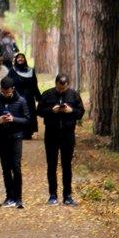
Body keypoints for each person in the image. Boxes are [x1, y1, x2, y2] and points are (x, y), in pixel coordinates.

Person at [37, 73, 85, 204]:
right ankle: (52, 195)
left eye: (64, 88)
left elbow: (81, 113)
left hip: (68, 133)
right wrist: (51, 110)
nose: (61, 90)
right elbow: (39, 111)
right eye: (59, 88)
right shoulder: (47, 94)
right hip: (51, 133)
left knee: (67, 165)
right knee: (51, 165)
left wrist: (71, 111)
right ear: (56, 84)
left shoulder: (74, 95)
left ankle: (67, 195)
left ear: (68, 85)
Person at [0, 76, 29, 208]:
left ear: (13, 89)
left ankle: (18, 197)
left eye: (8, 92)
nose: (6, 94)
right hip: (2, 138)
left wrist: (14, 119)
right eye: (4, 92)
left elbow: (27, 120)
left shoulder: (21, 101)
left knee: (16, 167)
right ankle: (9, 196)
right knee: (6, 168)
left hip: (16, 137)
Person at [6, 52, 41, 139]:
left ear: (25, 59)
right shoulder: (12, 71)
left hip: (29, 97)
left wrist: (38, 97)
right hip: (17, 97)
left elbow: (34, 85)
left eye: (22, 57)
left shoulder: (30, 71)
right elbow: (8, 83)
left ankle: (29, 132)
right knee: (18, 114)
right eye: (18, 58)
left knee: (30, 114)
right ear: (16, 60)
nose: (20, 59)